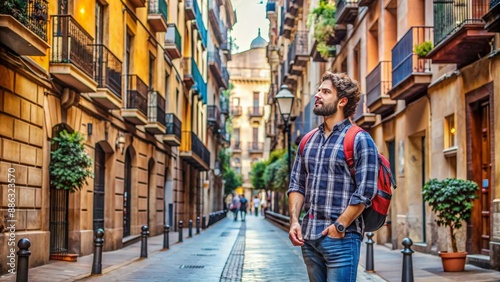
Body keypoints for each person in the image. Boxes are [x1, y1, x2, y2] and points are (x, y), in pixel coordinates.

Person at [287, 72, 379, 282]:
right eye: (319, 90)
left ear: (342, 101)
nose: (317, 95)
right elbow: (296, 185)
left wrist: (339, 226)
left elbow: (365, 191)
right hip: (310, 239)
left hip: (342, 239)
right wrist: (294, 221)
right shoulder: (307, 140)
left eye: (325, 91)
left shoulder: (359, 139)